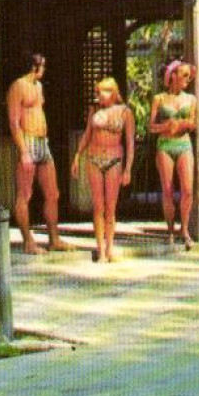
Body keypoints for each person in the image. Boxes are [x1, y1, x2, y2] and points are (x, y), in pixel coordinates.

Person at [7, 52, 68, 254]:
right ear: (35, 66)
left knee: (53, 193)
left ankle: (54, 238)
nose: (44, 69)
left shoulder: (38, 86)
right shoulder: (18, 86)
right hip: (28, 141)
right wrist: (23, 151)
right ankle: (28, 242)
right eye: (43, 66)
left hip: (43, 142)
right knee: (25, 194)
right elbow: (14, 122)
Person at [73, 77, 134, 263]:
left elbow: (130, 143)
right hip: (94, 158)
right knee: (98, 206)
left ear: (114, 92)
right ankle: (100, 250)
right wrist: (77, 155)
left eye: (104, 92)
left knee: (110, 207)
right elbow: (87, 134)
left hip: (114, 159)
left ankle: (110, 248)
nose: (100, 96)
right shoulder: (94, 110)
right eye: (98, 92)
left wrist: (128, 169)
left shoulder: (125, 112)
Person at [148, 60, 197, 249]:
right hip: (165, 145)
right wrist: (166, 126)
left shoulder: (191, 99)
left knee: (188, 189)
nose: (188, 79)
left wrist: (183, 124)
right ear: (172, 76)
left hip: (184, 144)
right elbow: (151, 127)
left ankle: (184, 229)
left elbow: (193, 123)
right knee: (167, 190)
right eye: (184, 75)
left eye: (189, 76)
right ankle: (169, 230)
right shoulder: (159, 99)